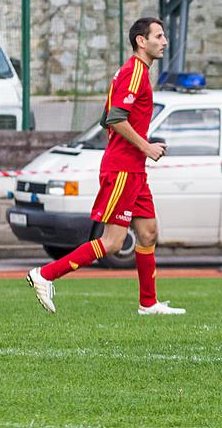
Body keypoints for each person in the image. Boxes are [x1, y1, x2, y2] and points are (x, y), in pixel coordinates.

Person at [26, 18, 185, 317]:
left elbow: (106, 117)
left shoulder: (134, 72)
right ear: (141, 41)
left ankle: (148, 303)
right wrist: (145, 146)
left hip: (134, 170)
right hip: (123, 168)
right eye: (159, 36)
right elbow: (114, 118)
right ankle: (45, 274)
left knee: (148, 233)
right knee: (112, 241)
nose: (164, 41)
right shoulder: (135, 72)